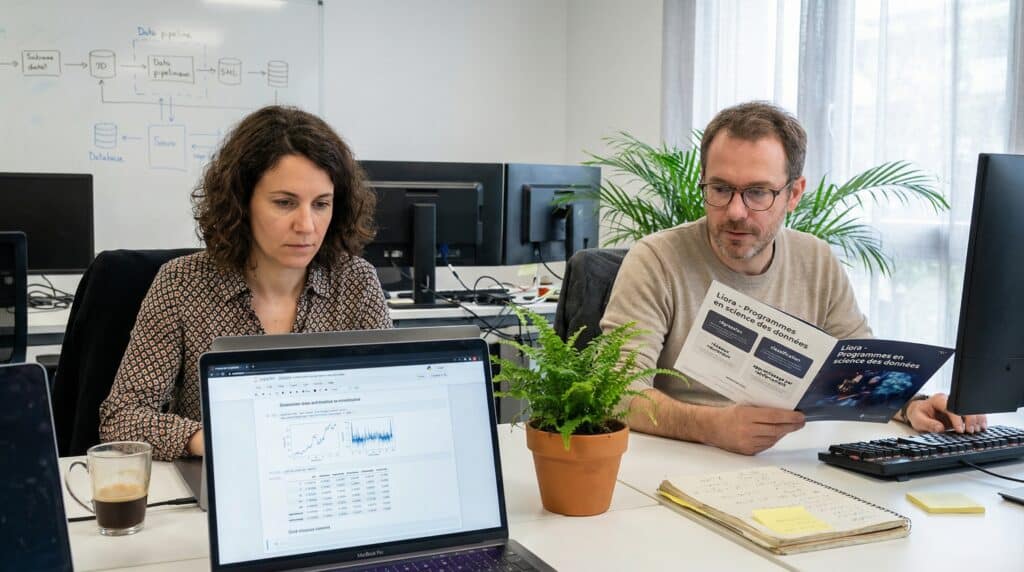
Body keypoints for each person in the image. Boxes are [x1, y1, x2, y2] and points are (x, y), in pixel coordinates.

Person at [600, 101, 987, 455]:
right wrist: (710, 426)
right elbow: (615, 392)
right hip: (678, 460)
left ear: (794, 194)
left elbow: (861, 368)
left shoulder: (815, 259)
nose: (736, 211)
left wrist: (913, 404)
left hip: (794, 460)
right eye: (720, 188)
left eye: (757, 193)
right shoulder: (656, 260)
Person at [99, 106, 392, 461]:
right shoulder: (181, 284)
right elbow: (122, 417)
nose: (307, 225)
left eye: (321, 204)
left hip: (328, 472)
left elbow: (388, 400)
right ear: (241, 202)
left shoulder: (355, 282)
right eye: (285, 203)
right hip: (224, 475)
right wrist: (209, 441)